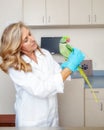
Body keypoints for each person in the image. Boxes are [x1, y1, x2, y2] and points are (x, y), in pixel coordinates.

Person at [0, 21, 85, 127]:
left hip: (51, 116)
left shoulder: (44, 53)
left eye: (30, 34)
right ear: (17, 46)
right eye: (25, 40)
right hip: (31, 121)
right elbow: (41, 89)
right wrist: (70, 67)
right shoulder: (15, 66)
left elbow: (57, 72)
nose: (32, 39)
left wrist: (66, 65)